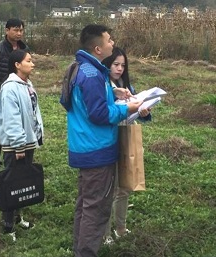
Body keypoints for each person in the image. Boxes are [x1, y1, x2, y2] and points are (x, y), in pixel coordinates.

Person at [61, 24, 149, 257]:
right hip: (96, 150)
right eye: (109, 40)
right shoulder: (92, 75)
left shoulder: (79, 67)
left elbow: (74, 102)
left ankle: (80, 249)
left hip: (83, 146)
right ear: (98, 48)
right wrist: (127, 108)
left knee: (85, 204)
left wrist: (112, 94)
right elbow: (99, 114)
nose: (113, 43)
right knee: (96, 209)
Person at [101, 47, 150, 244]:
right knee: (109, 189)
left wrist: (144, 111)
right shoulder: (103, 86)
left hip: (127, 136)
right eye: (116, 64)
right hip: (110, 138)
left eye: (123, 65)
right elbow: (101, 112)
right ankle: (104, 233)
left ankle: (120, 227)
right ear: (107, 64)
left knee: (125, 186)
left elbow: (136, 108)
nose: (120, 69)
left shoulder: (126, 85)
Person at [0, 49, 44, 240]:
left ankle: (17, 218)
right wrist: (18, 145)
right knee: (12, 183)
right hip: (16, 146)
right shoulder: (10, 88)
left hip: (27, 142)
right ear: (17, 65)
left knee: (22, 182)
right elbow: (11, 119)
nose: (32, 64)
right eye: (28, 61)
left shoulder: (26, 84)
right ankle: (8, 226)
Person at [0, 19, 28, 172]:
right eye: (15, 30)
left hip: (20, 93)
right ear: (7, 30)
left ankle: (18, 154)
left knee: (20, 124)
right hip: (1, 94)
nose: (19, 33)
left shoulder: (24, 49)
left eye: (21, 30)